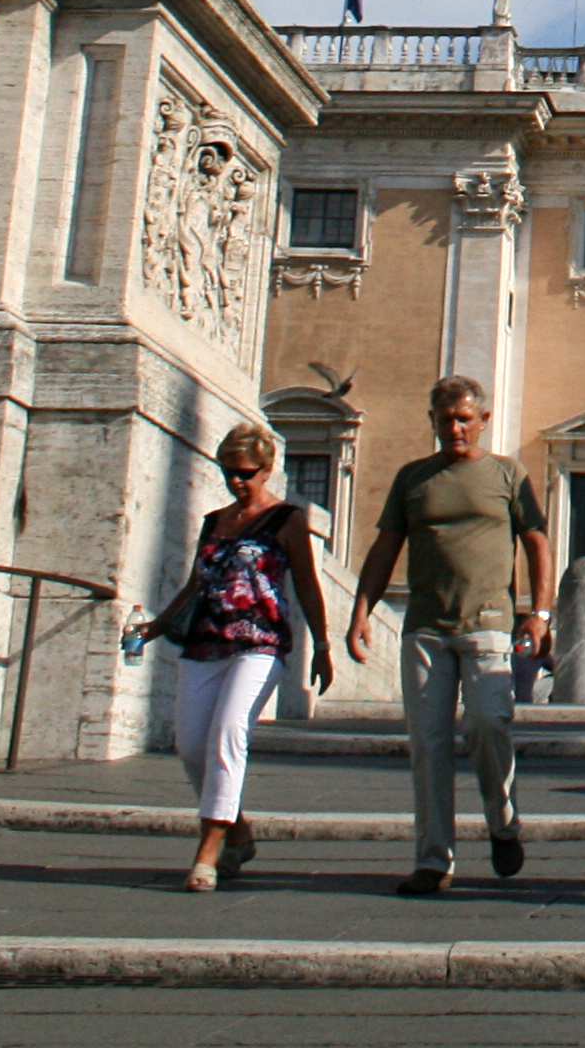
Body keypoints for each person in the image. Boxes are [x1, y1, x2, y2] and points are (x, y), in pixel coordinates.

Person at [345, 376, 550, 897]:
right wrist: (361, 610)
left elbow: (536, 542)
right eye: (445, 419)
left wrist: (540, 613)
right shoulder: (413, 478)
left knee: (487, 724)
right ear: (432, 422)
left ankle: (503, 823)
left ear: (482, 420)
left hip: (487, 623)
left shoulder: (507, 473)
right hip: (425, 628)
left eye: (464, 418)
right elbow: (385, 546)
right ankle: (434, 858)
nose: (455, 428)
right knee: (429, 746)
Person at [161, 421, 331, 893]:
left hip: (260, 644)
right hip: (205, 640)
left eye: (247, 472)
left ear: (267, 468)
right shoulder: (215, 522)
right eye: (229, 471)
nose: (238, 480)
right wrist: (159, 623)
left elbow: (307, 585)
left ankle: (209, 852)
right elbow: (197, 582)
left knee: (229, 734)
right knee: (190, 746)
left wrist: (322, 644)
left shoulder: (288, 520)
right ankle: (239, 829)